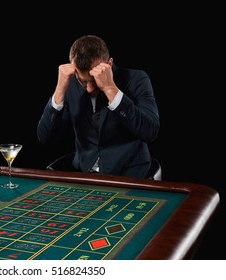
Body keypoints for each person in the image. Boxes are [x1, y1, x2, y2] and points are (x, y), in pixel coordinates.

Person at [37, 35, 160, 178]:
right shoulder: (69, 85)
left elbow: (150, 131)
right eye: (83, 81)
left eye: (94, 80)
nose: (89, 88)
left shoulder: (137, 79)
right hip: (85, 174)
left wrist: (109, 88)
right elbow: (46, 137)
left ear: (110, 64)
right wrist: (59, 90)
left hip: (131, 175)